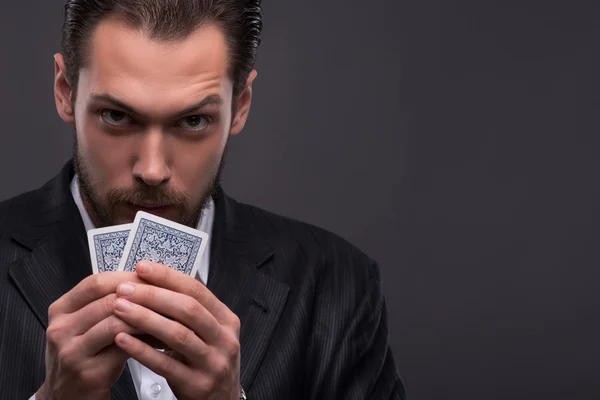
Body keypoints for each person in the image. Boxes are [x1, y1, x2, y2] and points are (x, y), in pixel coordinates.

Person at [0, 0, 405, 399]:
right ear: (65, 91)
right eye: (117, 116)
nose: (153, 170)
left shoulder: (338, 287)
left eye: (193, 121)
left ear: (240, 107)